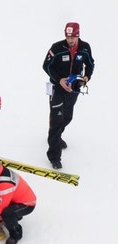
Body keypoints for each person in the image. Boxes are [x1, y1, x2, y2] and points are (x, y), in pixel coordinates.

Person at [42, 22, 95, 169]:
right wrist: (59, 80)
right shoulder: (57, 47)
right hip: (57, 88)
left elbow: (90, 64)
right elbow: (46, 65)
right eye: (67, 36)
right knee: (56, 120)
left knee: (67, 117)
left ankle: (56, 137)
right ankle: (54, 156)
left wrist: (86, 77)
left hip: (74, 88)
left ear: (78, 35)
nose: (70, 40)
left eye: (73, 37)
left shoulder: (85, 48)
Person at [0, 158, 36, 244]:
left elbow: (2, 204)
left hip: (27, 204)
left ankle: (16, 234)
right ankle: (14, 217)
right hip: (13, 199)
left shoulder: (5, 183)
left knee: (6, 213)